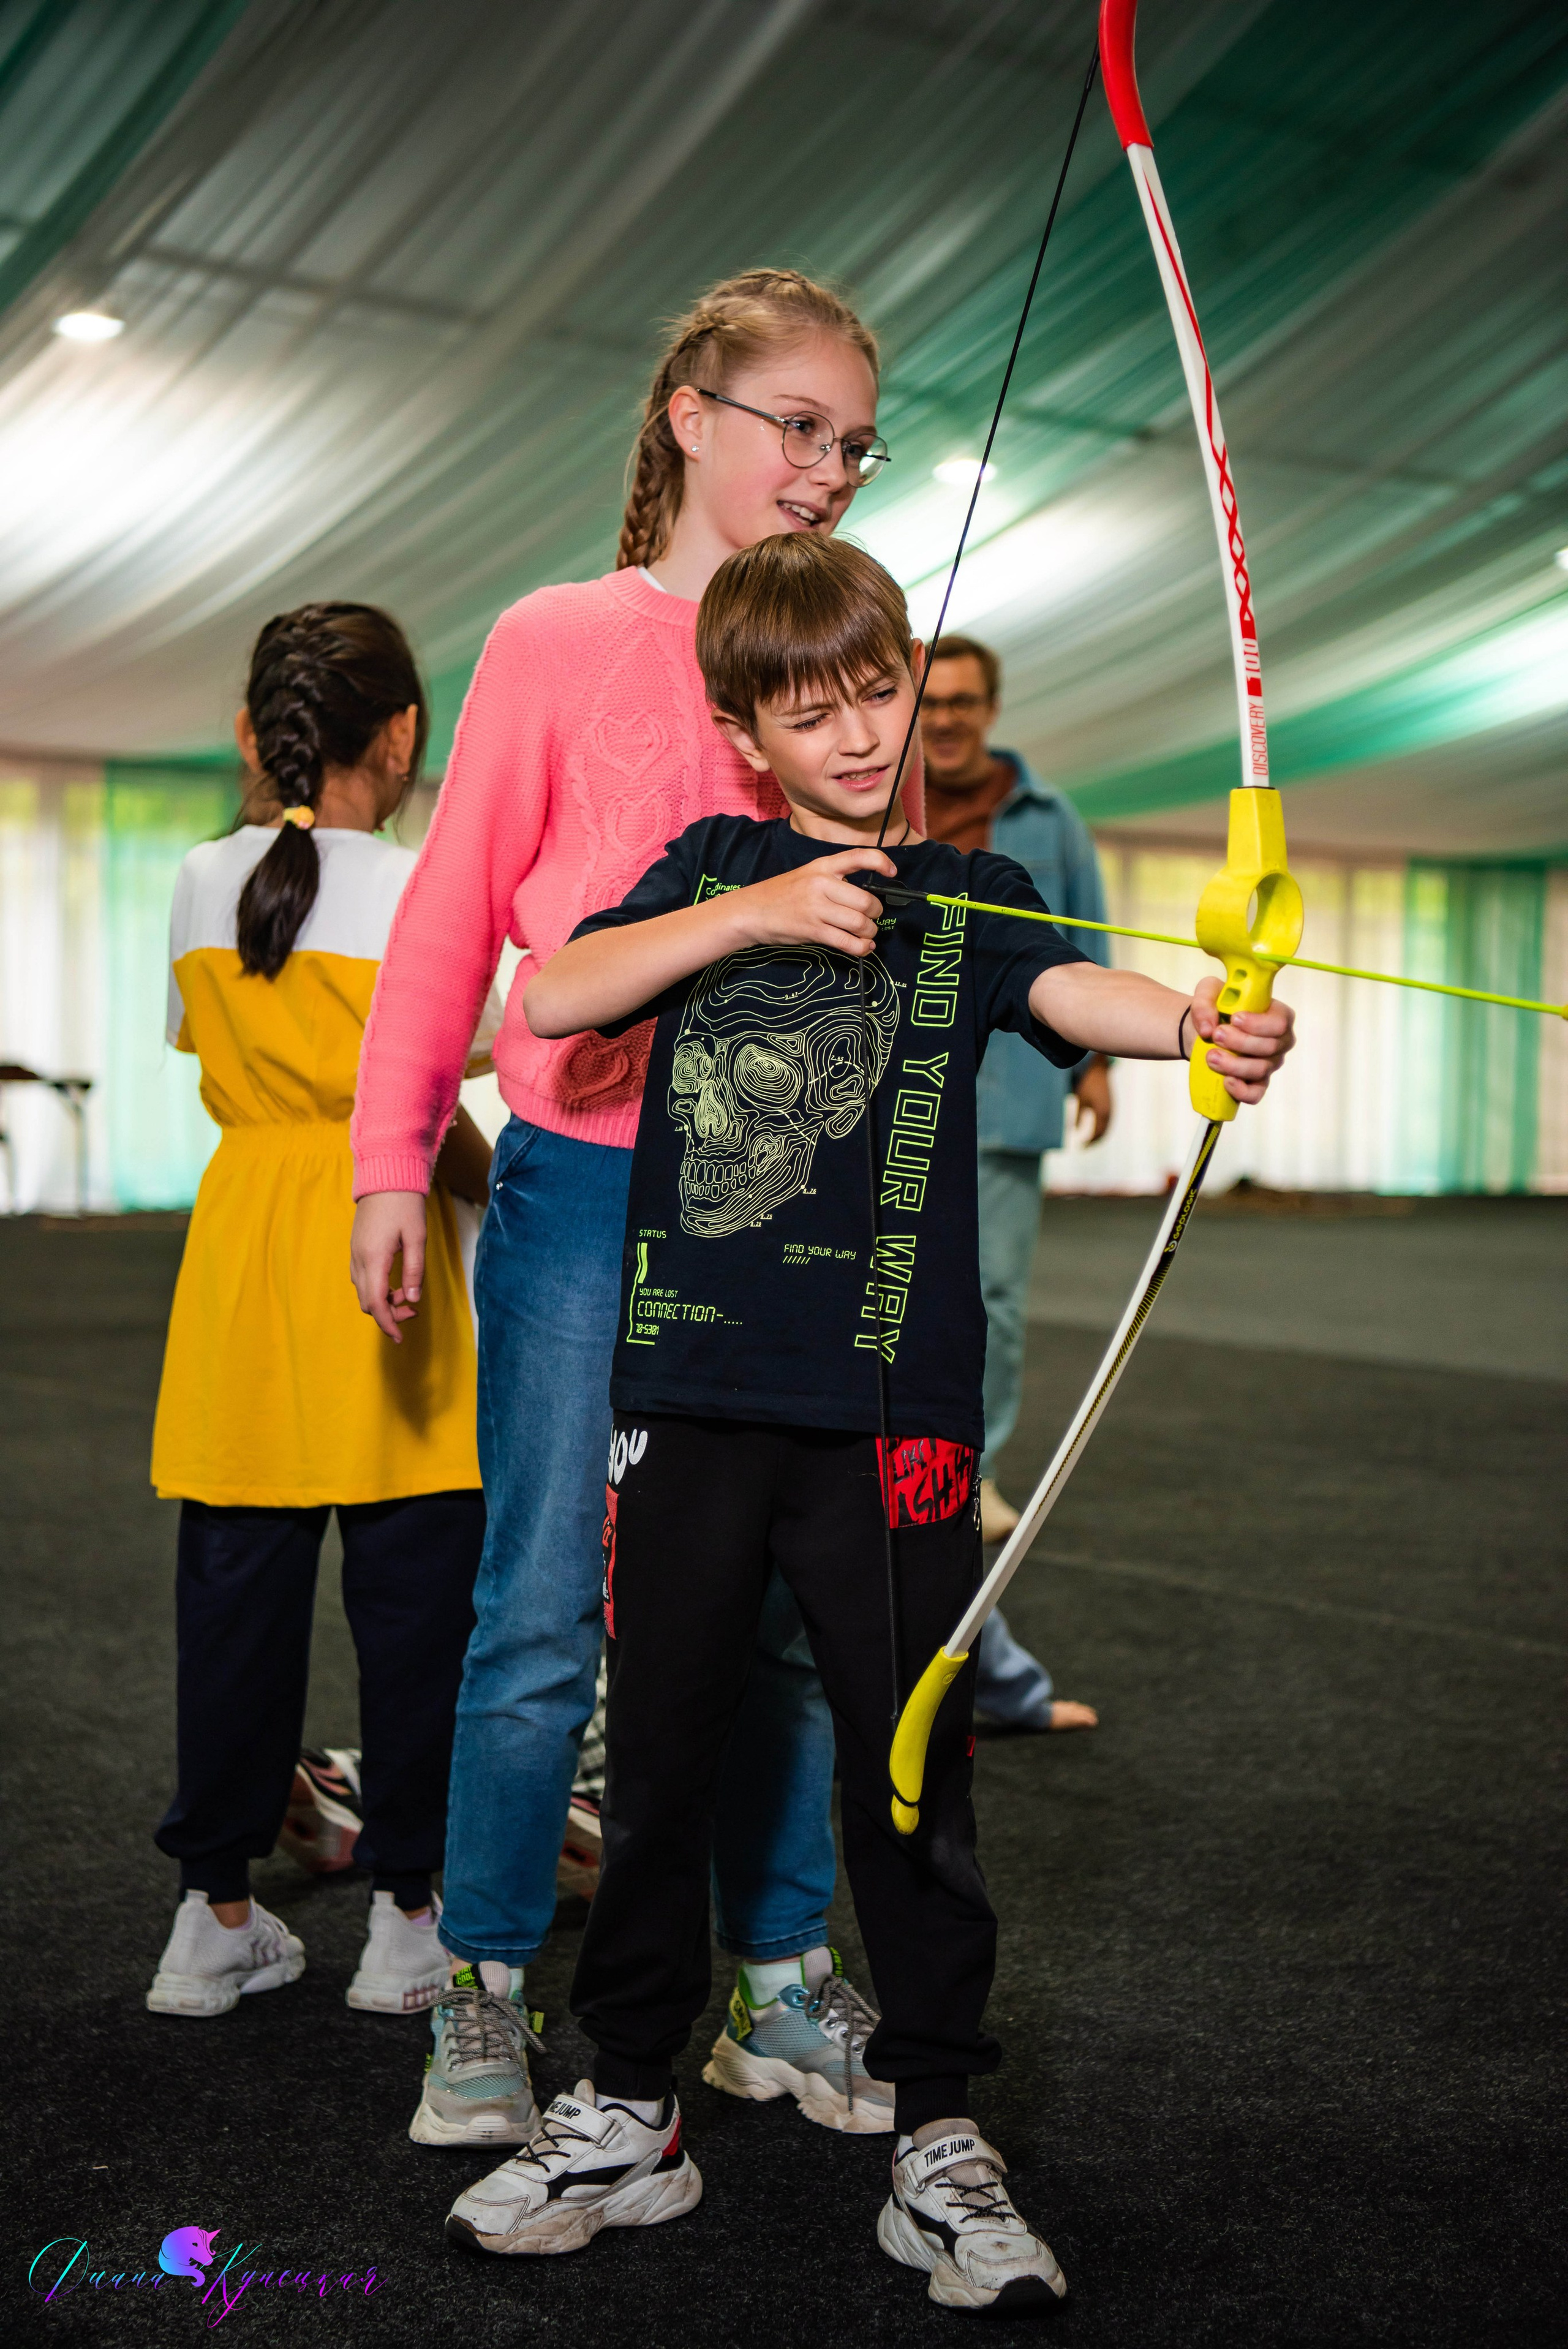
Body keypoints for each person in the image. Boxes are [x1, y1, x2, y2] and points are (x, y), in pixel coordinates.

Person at [442, 535, 1295, 2309]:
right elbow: (553, 997)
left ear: (914, 688)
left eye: (876, 691)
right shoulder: (708, 866)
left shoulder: (970, 893)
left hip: (890, 1415)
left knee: (909, 1771)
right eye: (806, 707)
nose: (852, 732)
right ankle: (628, 2102)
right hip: (690, 1395)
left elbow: (1075, 994)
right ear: (746, 730)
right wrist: (754, 914)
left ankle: (936, 2130)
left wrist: (1201, 1022)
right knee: (660, 1752)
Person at [349, 271, 915, 2151]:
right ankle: (484, 1984)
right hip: (586, 1185)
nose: (829, 468)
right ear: (691, 415)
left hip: (786, 1211)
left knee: (781, 1615)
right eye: (799, 426)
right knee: (536, 1606)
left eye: (856, 443)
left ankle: (774, 1979)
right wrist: (391, 1158)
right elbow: (452, 918)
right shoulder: (557, 636)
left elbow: (906, 941)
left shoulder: (845, 653)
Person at [146, 603, 494, 2023]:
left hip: (243, 1260)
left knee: (233, 1602)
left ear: (254, 732)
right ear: (402, 734)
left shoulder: (196, 879)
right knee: (417, 1610)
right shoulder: (425, 890)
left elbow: (214, 1051)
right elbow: (434, 1091)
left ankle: (210, 1919)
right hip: (385, 1244)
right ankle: (410, 1925)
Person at [922, 632, 1109, 1733]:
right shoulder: (876, 793)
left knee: (989, 1295)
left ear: (990, 709)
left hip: (1010, 1093)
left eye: (964, 701)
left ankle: (973, 1470)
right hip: (898, 1090)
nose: (945, 718)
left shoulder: (1050, 816)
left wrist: (1097, 1069)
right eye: (932, 700)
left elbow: (1083, 943)